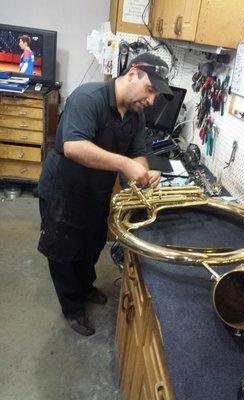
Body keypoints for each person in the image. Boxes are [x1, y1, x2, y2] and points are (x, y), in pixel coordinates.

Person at [37, 53, 173, 336]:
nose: (150, 100)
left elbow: (138, 152)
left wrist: (143, 172)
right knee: (63, 253)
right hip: (64, 190)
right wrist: (125, 165)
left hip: (95, 193)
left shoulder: (136, 115)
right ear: (133, 73)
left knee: (91, 245)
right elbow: (74, 146)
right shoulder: (89, 98)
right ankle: (72, 308)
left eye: (155, 96)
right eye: (149, 90)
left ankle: (85, 288)